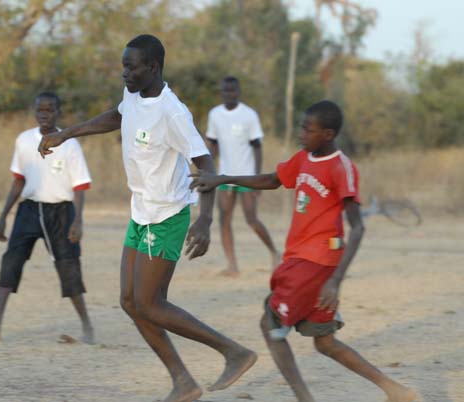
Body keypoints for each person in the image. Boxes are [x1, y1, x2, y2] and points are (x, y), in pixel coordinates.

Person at [37, 34, 257, 402]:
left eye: (131, 66)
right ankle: (183, 382)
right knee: (129, 301)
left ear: (152, 67)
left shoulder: (173, 112)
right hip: (141, 211)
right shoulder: (135, 94)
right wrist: (67, 134)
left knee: (151, 304)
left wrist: (204, 220)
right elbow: (117, 115)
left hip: (167, 216)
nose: (124, 72)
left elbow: (205, 163)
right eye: (123, 65)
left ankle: (233, 352)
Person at [190, 100, 417, 402]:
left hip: (315, 262)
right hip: (303, 259)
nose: (301, 133)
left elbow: (357, 227)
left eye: (307, 129)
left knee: (269, 323)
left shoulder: (341, 167)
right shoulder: (303, 158)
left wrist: (336, 279)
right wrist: (222, 179)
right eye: (301, 126)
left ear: (328, 133)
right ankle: (396, 390)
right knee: (325, 342)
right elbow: (271, 180)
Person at [0, 92, 95, 344]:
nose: (44, 114)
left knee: (68, 267)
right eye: (40, 110)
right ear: (34, 112)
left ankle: (87, 328)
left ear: (58, 112)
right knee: (11, 261)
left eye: (50, 110)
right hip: (29, 211)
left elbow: (80, 186)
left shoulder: (69, 144)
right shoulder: (23, 140)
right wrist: (3, 216)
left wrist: (78, 220)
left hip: (61, 212)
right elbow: (18, 180)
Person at [206, 76, 280, 277]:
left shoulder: (249, 115)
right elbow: (212, 144)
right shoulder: (215, 115)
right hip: (224, 176)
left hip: (247, 176)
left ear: (238, 92)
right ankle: (232, 265)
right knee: (224, 218)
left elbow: (257, 147)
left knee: (251, 218)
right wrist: (207, 170)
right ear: (221, 92)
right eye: (225, 91)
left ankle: (274, 252)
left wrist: (257, 179)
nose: (229, 94)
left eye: (232, 91)